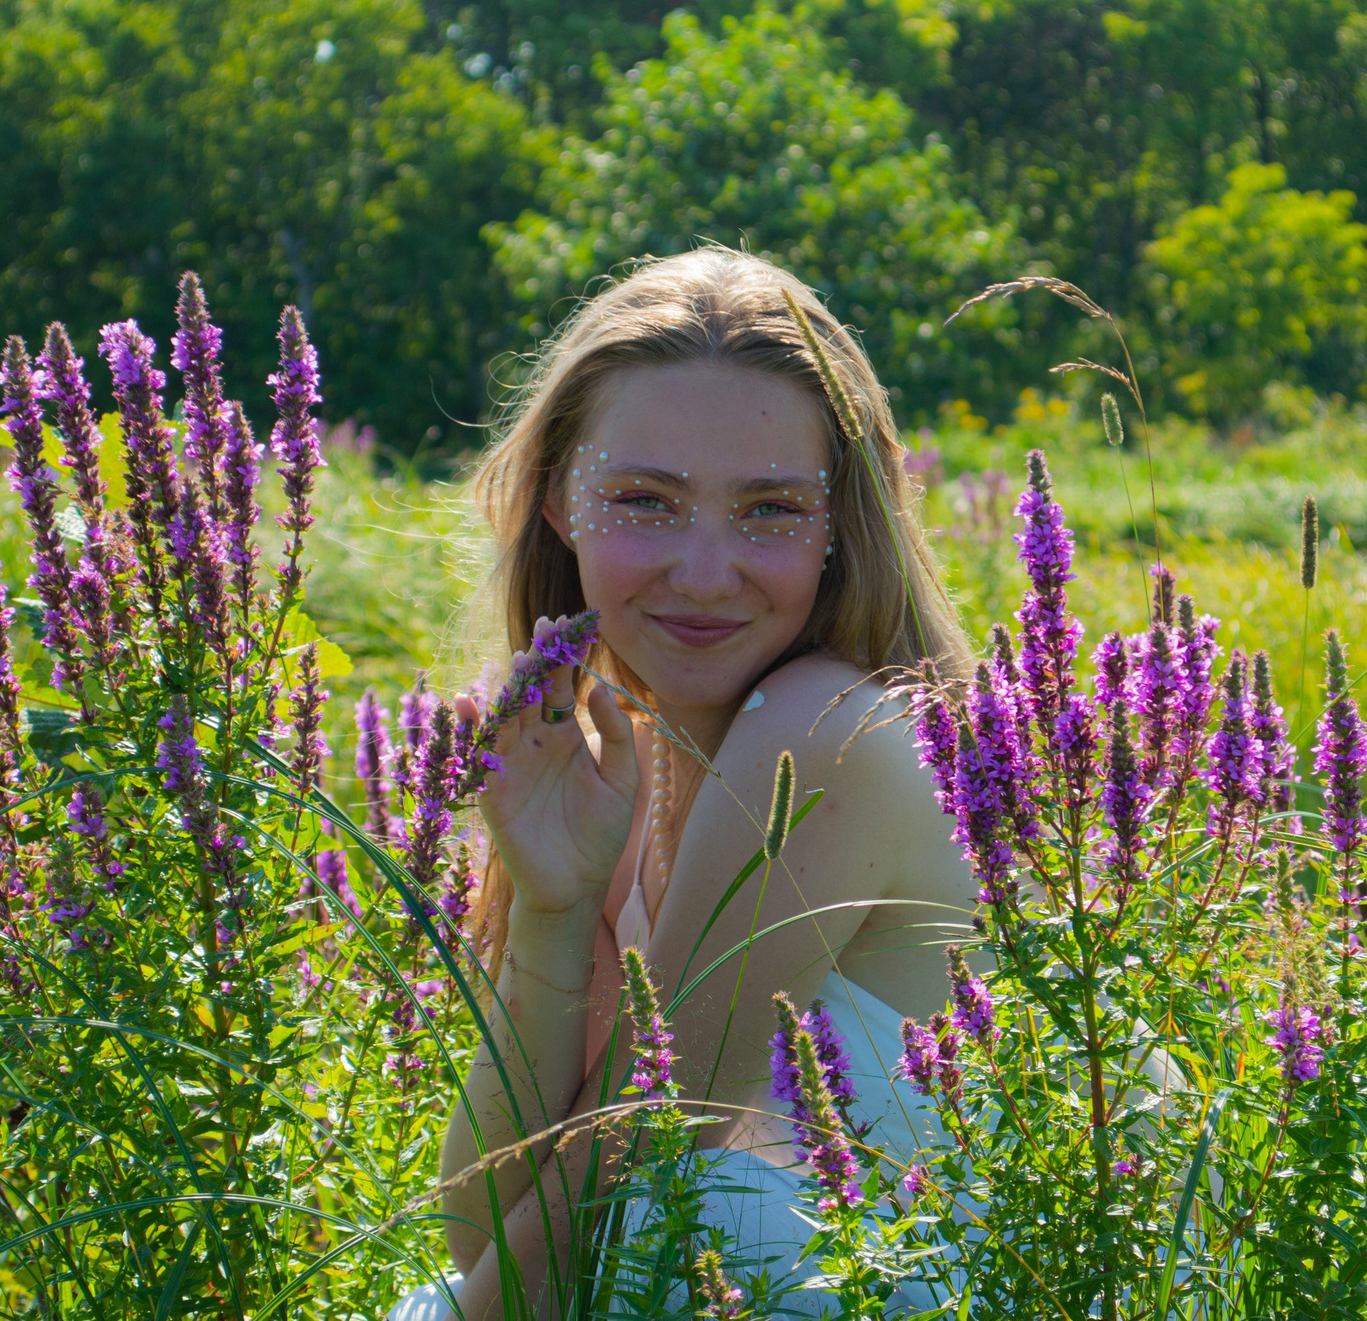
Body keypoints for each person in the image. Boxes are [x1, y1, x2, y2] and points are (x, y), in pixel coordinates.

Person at [388, 250, 978, 1319]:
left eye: (768, 510)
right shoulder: (630, 761)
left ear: (842, 522)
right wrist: (559, 912)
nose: (706, 570)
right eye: (645, 500)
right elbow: (485, 1224)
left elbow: (585, 1218)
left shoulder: (825, 733)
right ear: (560, 501)